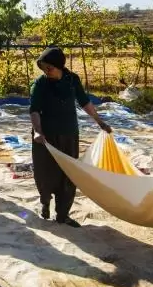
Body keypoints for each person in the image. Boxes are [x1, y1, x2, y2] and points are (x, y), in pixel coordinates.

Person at [29, 47, 111, 227]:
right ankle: (45, 202)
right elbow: (34, 110)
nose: (46, 71)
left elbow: (85, 102)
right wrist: (37, 131)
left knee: (68, 174)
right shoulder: (40, 84)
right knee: (45, 173)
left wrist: (100, 122)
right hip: (45, 136)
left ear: (59, 67)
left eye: (49, 68)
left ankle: (63, 214)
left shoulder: (72, 81)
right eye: (43, 68)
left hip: (69, 133)